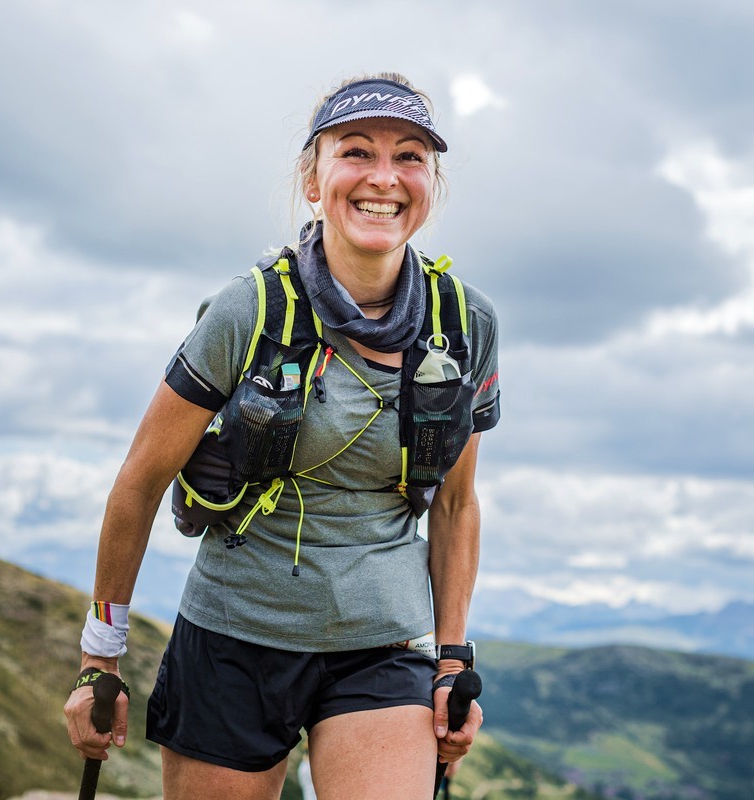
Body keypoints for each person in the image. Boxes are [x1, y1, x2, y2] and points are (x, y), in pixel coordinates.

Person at [64, 72, 500, 800]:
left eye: (411, 157)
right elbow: (139, 483)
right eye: (356, 151)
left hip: (383, 643)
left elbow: (456, 505)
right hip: (233, 637)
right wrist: (99, 659)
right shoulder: (250, 311)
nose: (384, 178)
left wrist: (451, 662)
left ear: (432, 183)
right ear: (313, 177)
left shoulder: (464, 324)